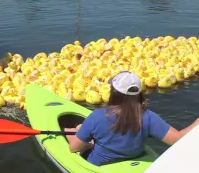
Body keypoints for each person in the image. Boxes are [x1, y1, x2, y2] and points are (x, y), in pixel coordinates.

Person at [65, 71, 199, 166]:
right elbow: (178, 139)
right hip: (135, 160)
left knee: (73, 130)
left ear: (114, 92)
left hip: (100, 164)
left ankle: (70, 130)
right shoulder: (148, 117)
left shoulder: (97, 116)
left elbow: (74, 148)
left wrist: (88, 143)